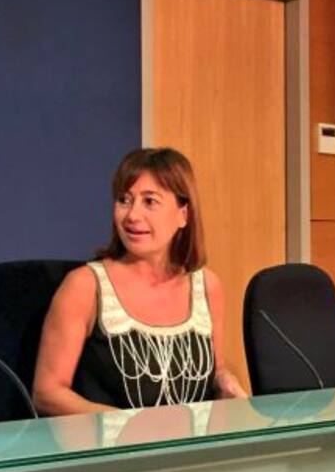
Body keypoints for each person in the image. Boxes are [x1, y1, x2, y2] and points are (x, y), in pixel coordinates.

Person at [33, 147, 246, 416]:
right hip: (110, 442)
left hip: (191, 443)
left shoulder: (207, 286)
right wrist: (125, 426)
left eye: (150, 202)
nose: (132, 215)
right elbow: (47, 393)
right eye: (124, 200)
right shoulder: (84, 286)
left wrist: (225, 381)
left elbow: (213, 370)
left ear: (183, 214)